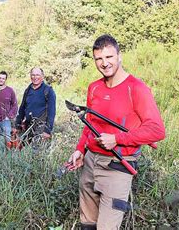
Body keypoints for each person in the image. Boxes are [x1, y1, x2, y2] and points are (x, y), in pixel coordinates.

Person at [66, 35, 166, 230]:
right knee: (87, 224)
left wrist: (117, 139)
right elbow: (90, 123)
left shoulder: (136, 89)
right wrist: (80, 150)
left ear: (120, 56)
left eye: (109, 57)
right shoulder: (94, 87)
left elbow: (157, 130)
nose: (104, 64)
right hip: (89, 163)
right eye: (99, 59)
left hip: (117, 166)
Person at [15, 67, 56, 146]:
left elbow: (52, 112)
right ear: (30, 76)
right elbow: (22, 108)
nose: (35, 77)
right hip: (28, 126)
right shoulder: (28, 90)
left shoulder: (48, 91)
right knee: (24, 149)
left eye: (37, 75)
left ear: (42, 76)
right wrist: (17, 124)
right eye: (33, 75)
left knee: (36, 151)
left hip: (41, 127)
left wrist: (47, 130)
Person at [0, 71, 18, 148]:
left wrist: (9, 116)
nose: (1, 80)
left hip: (5, 120)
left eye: (3, 79)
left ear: (5, 80)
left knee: (8, 141)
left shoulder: (10, 90)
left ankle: (7, 158)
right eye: (0, 78)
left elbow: (14, 104)